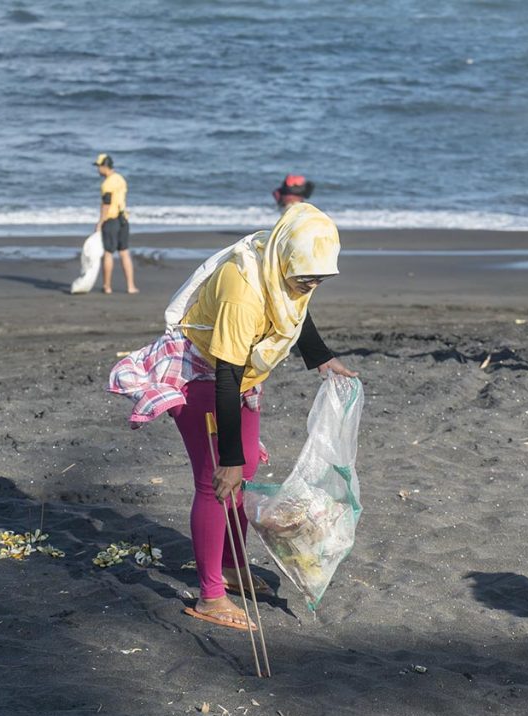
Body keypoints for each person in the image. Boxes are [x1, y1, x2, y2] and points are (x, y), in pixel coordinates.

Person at [108, 203, 357, 630]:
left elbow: (294, 309)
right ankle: (209, 596)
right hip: (202, 370)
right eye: (305, 277)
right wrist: (228, 459)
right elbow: (226, 374)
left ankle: (231, 566)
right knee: (217, 481)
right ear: (285, 260)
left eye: (319, 278)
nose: (310, 285)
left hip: (240, 375)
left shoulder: (288, 262)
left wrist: (320, 357)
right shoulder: (242, 288)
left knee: (248, 466)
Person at [93, 153, 138, 294]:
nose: (97, 170)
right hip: (123, 219)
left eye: (98, 166)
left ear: (104, 166)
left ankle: (107, 286)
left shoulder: (107, 184)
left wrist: (100, 222)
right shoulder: (120, 179)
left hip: (111, 220)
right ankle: (131, 286)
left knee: (108, 253)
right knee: (124, 252)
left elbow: (106, 204)